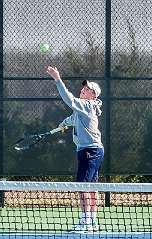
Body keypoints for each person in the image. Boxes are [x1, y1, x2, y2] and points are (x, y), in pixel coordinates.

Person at [46, 66, 104, 232]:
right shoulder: (85, 109)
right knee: (92, 187)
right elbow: (73, 118)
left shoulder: (87, 105)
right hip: (95, 150)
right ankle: (92, 221)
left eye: (87, 89)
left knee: (82, 186)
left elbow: (69, 99)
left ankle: (85, 222)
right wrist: (64, 124)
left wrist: (58, 79)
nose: (83, 90)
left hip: (89, 151)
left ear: (93, 95)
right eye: (84, 87)